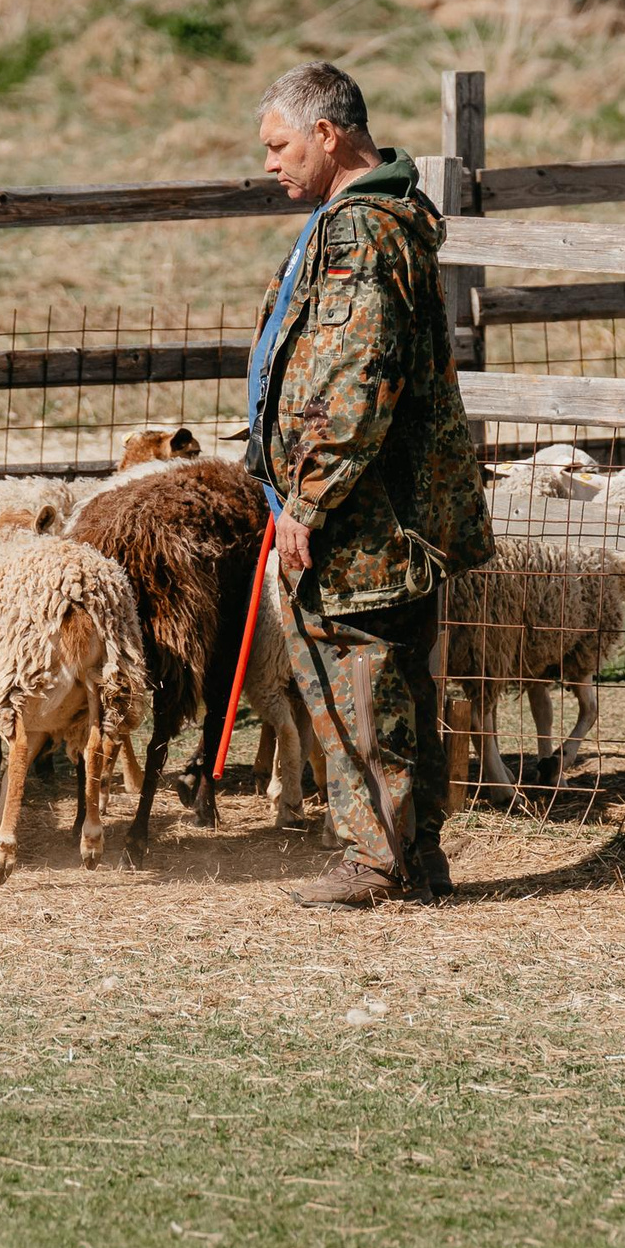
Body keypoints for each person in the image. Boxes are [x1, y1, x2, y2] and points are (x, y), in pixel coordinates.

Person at [243, 62, 492, 908]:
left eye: (280, 145)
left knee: (361, 673)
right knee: (393, 673)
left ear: (328, 134)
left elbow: (353, 373)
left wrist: (308, 497)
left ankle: (375, 860)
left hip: (363, 508)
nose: (271, 162)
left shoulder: (357, 232)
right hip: (385, 502)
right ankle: (414, 859)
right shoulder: (380, 220)